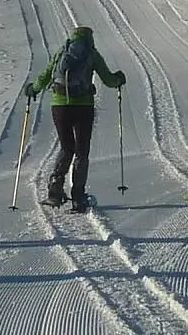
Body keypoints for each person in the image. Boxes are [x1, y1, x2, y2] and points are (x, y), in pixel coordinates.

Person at [24, 26, 126, 212]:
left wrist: (33, 89)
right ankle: (78, 197)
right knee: (81, 150)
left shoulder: (61, 52)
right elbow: (109, 80)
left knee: (66, 146)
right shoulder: (92, 54)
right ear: (90, 37)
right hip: (83, 107)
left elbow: (46, 75)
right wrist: (119, 79)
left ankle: (55, 190)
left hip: (59, 106)